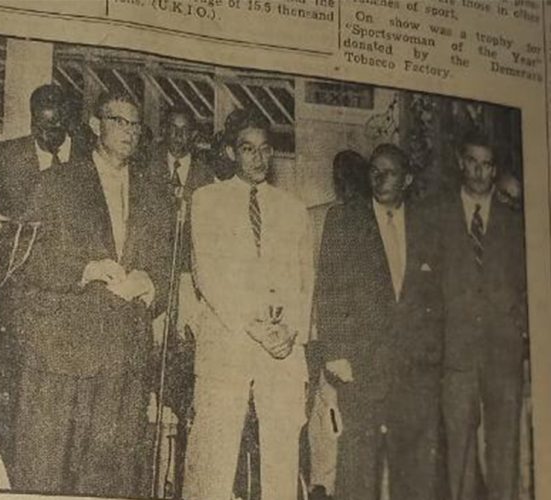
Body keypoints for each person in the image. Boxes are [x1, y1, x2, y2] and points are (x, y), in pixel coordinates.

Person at [7, 89, 172, 497]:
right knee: (46, 473)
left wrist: (149, 283)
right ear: (96, 126)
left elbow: (170, 265)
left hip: (124, 360)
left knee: (110, 478)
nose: (129, 131)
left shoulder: (156, 193)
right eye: (118, 121)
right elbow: (21, 260)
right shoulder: (56, 182)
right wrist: (85, 270)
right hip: (62, 354)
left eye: (135, 124)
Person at [185, 109, 314, 500]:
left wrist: (289, 331)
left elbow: (304, 280)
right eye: (247, 149)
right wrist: (255, 328)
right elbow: (207, 275)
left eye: (264, 149)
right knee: (215, 456)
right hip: (228, 344)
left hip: (282, 351)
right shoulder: (206, 200)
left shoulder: (294, 209)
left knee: (281, 458)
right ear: (230, 152)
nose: (258, 158)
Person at [313, 143, 444, 500]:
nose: (380, 177)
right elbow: (330, 287)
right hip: (361, 366)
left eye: (390, 172)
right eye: (374, 170)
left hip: (414, 370)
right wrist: (337, 353)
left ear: (408, 179)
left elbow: (437, 298)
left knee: (410, 469)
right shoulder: (345, 220)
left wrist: (433, 357)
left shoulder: (427, 226)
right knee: (359, 468)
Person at [440, 132, 527, 500]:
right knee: (458, 453)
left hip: (502, 356)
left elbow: (530, 286)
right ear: (461, 162)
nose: (479, 171)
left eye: (487, 163)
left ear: (495, 169)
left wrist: (520, 331)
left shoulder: (515, 223)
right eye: (472, 161)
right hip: (456, 356)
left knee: (504, 450)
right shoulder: (436, 215)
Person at [148, 106, 215, 496]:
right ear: (163, 133)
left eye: (185, 131)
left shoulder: (208, 178)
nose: (178, 137)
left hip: (191, 283)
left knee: (188, 366)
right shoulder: (145, 169)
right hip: (157, 279)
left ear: (194, 137)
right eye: (171, 129)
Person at [305, 148, 371, 500]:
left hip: (327, 334)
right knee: (328, 408)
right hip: (324, 334)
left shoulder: (322, 216)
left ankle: (326, 482)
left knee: (327, 409)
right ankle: (325, 483)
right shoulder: (327, 217)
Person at [0, 84, 77, 219]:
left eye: (54, 127)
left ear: (66, 122)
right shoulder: (4, 156)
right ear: (32, 119)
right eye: (40, 125)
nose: (45, 135)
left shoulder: (86, 157)